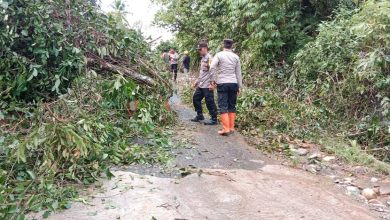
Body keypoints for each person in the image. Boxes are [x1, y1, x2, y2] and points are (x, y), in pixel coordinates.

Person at [209, 39, 242, 135]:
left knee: (223, 105)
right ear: (231, 46)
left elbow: (212, 67)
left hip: (222, 83)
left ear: (223, 45)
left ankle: (225, 129)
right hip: (233, 83)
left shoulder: (219, 55)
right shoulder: (236, 57)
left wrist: (213, 80)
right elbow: (238, 73)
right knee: (232, 105)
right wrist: (239, 86)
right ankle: (231, 128)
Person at [191, 42, 218, 125]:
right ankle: (200, 115)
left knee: (209, 101)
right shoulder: (203, 58)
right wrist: (197, 81)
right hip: (201, 84)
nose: (199, 51)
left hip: (207, 84)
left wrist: (212, 83)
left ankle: (214, 119)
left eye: (200, 49)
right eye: (198, 49)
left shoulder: (210, 58)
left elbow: (213, 71)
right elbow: (202, 72)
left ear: (205, 48)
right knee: (196, 98)